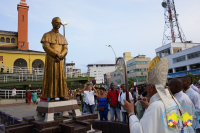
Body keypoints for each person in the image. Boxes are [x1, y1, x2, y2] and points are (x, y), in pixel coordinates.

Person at [123, 56, 183, 133]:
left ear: (151, 87)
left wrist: (131, 112)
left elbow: (140, 131)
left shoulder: (156, 106)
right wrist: (148, 106)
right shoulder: (174, 101)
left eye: (146, 86)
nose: (146, 89)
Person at [41, 17, 68, 102]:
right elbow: (46, 46)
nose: (58, 24)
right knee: (51, 76)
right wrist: (56, 54)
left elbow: (65, 48)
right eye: (57, 22)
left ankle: (62, 95)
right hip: (51, 58)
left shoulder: (62, 37)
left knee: (61, 77)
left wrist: (61, 55)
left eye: (60, 23)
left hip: (60, 60)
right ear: (52, 23)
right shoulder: (47, 35)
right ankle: (52, 96)